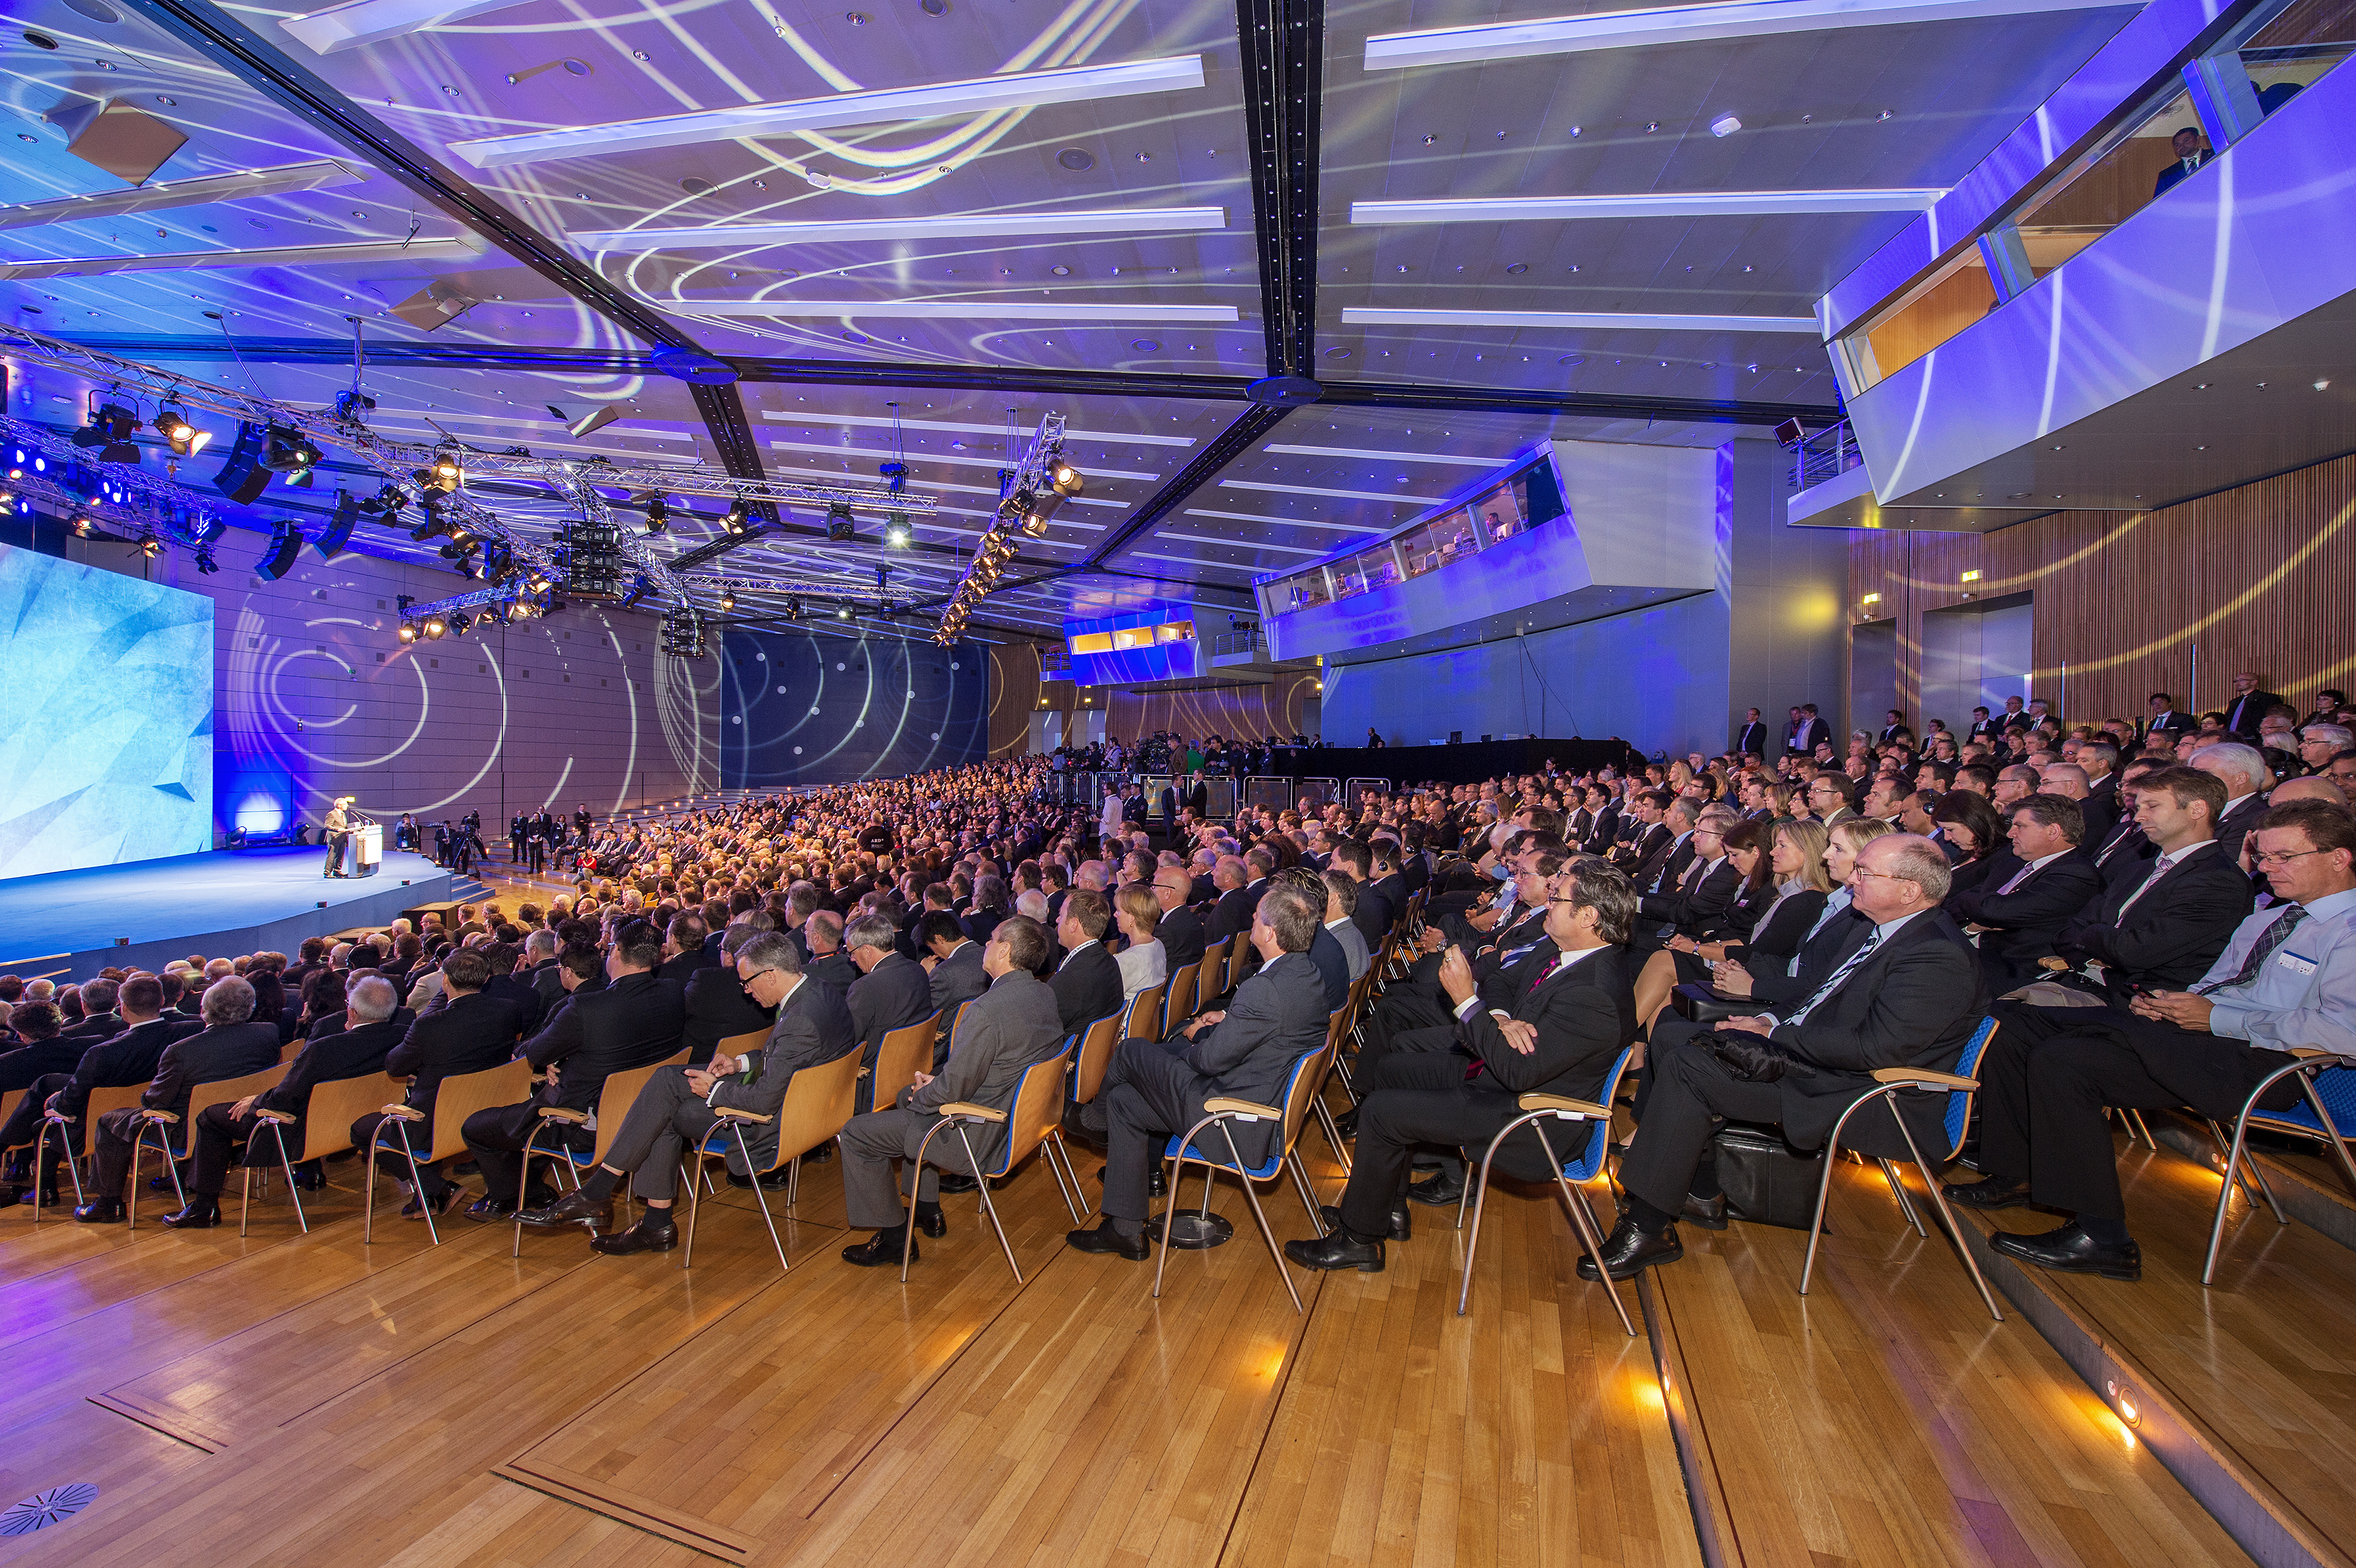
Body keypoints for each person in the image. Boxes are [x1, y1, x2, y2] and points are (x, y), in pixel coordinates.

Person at [1949, 801, 2356, 1280]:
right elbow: (2217, 984)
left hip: (2268, 1065)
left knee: (2066, 1061)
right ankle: (2017, 1169)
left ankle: (2103, 1238)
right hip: (2201, 1040)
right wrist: (2173, 1003)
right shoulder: (2267, 919)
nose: (2266, 869)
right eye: (2263, 857)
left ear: (2338, 857)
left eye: (2282, 858)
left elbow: (2341, 1032)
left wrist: (2216, 1018)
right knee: (2013, 1024)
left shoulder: (2345, 933)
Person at [1587, 834, 1987, 1279]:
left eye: (1864, 873)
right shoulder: (1881, 931)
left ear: (1909, 890)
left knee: (1690, 1065)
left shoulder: (1935, 955)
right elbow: (1815, 1001)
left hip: (1867, 1092)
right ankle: (1697, 1190)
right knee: (1673, 1034)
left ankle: (1648, 1226)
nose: (1852, 879)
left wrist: (1774, 1032)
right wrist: (1763, 1021)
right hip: (1824, 1064)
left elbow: (1874, 1049)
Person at [1286, 858, 1638, 1271]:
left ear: (1589, 916)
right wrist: (1503, 1018)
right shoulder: (1564, 949)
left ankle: (1360, 1239)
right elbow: (1504, 982)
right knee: (1393, 1068)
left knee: (1383, 1114)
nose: (1552, 904)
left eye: (1560, 898)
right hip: (1506, 1078)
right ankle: (1385, 1207)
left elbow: (1518, 1072)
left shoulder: (1594, 993)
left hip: (1532, 1118)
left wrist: (1468, 1002)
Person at [525, 933, 857, 1250]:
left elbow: (762, 1101)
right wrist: (740, 1063)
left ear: (770, 975)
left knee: (666, 1111)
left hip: (773, 1125)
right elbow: (793, 1057)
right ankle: (610, 1198)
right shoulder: (820, 991)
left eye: (747, 982)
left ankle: (636, 1214)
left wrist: (714, 1090)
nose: (745, 991)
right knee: (668, 1080)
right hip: (810, 1111)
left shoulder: (800, 1020)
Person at [1067, 882, 1330, 1261]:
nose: (1251, 917)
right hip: (1251, 1100)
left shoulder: (1267, 988)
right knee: (1125, 1100)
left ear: (1271, 934)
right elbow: (1265, 1034)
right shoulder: (1307, 974)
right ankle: (1123, 1231)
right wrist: (1224, 1025)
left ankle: (1093, 1120)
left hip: (1227, 1119)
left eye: (1258, 916)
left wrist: (1184, 1054)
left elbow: (1209, 1061)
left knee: (1132, 1051)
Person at [835, 917, 1066, 1267]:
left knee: (855, 1133)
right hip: (1017, 1120)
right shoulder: (1043, 992)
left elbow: (954, 1088)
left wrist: (922, 1096)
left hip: (974, 1132)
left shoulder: (987, 1010)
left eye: (990, 940)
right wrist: (928, 1091)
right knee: (906, 1096)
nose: (984, 946)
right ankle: (927, 1208)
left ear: (1004, 950)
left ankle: (896, 1239)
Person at [455, 922, 686, 1221]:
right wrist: (563, 1055)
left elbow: (537, 1053)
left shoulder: (587, 1006)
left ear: (615, 952)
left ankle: (509, 1195)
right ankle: (533, 1187)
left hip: (580, 1126)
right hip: (643, 1114)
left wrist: (556, 1055)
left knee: (475, 1127)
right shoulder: (672, 992)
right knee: (518, 1118)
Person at [159, 975, 408, 1227]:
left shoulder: (324, 1049)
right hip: (362, 1122)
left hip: (305, 1131)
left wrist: (256, 1101)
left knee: (209, 1116)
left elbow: (284, 1099)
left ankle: (205, 1207)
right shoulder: (403, 1036)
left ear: (352, 1011)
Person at [73, 976, 282, 1224]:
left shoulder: (183, 1050)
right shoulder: (269, 1032)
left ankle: (108, 1204)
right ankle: (179, 1177)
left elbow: (156, 1102)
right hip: (242, 1118)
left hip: (189, 1129)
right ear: (251, 1006)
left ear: (204, 1010)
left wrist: (142, 1096)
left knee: (109, 1121)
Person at [349, 948, 530, 1221]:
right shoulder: (508, 1010)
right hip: (488, 1109)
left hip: (434, 1123)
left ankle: (437, 1188)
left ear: (445, 981)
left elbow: (396, 1066)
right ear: (486, 979)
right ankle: (430, 1194)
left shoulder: (431, 1025)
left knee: (362, 1130)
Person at [1944, 794, 2102, 990]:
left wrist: (1982, 906)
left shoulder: (2076, 874)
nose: (2010, 833)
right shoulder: (2013, 863)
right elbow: (1954, 905)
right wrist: (1980, 913)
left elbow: (1995, 911)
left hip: (2011, 972)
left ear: (2053, 831)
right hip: (1971, 955)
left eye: (2020, 826)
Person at [1051, 890, 1126, 1036]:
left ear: (1074, 924)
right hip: (1101, 1055)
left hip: (1072, 1057)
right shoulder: (1110, 962)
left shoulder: (1068, 980)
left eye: (1061, 915)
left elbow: (1039, 1034)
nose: (1057, 920)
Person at [1112, 884, 1168, 1003]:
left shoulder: (1130, 960)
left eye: (1119, 911)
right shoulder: (1158, 944)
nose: (1115, 915)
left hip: (1125, 1021)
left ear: (1131, 918)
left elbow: (1106, 1000)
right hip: (1147, 1020)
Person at [2152, 127, 2211, 196]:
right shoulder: (2167, 174)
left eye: (2186, 141)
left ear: (2197, 139)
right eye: (2177, 145)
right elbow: (2160, 203)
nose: (2181, 146)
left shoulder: (2216, 156)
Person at [323, 796, 354, 878]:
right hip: (334, 838)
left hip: (342, 838)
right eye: (345, 804)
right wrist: (338, 829)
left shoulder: (342, 814)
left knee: (340, 856)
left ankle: (337, 871)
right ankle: (327, 873)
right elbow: (327, 826)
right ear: (339, 805)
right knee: (332, 856)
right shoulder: (331, 814)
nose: (347, 806)